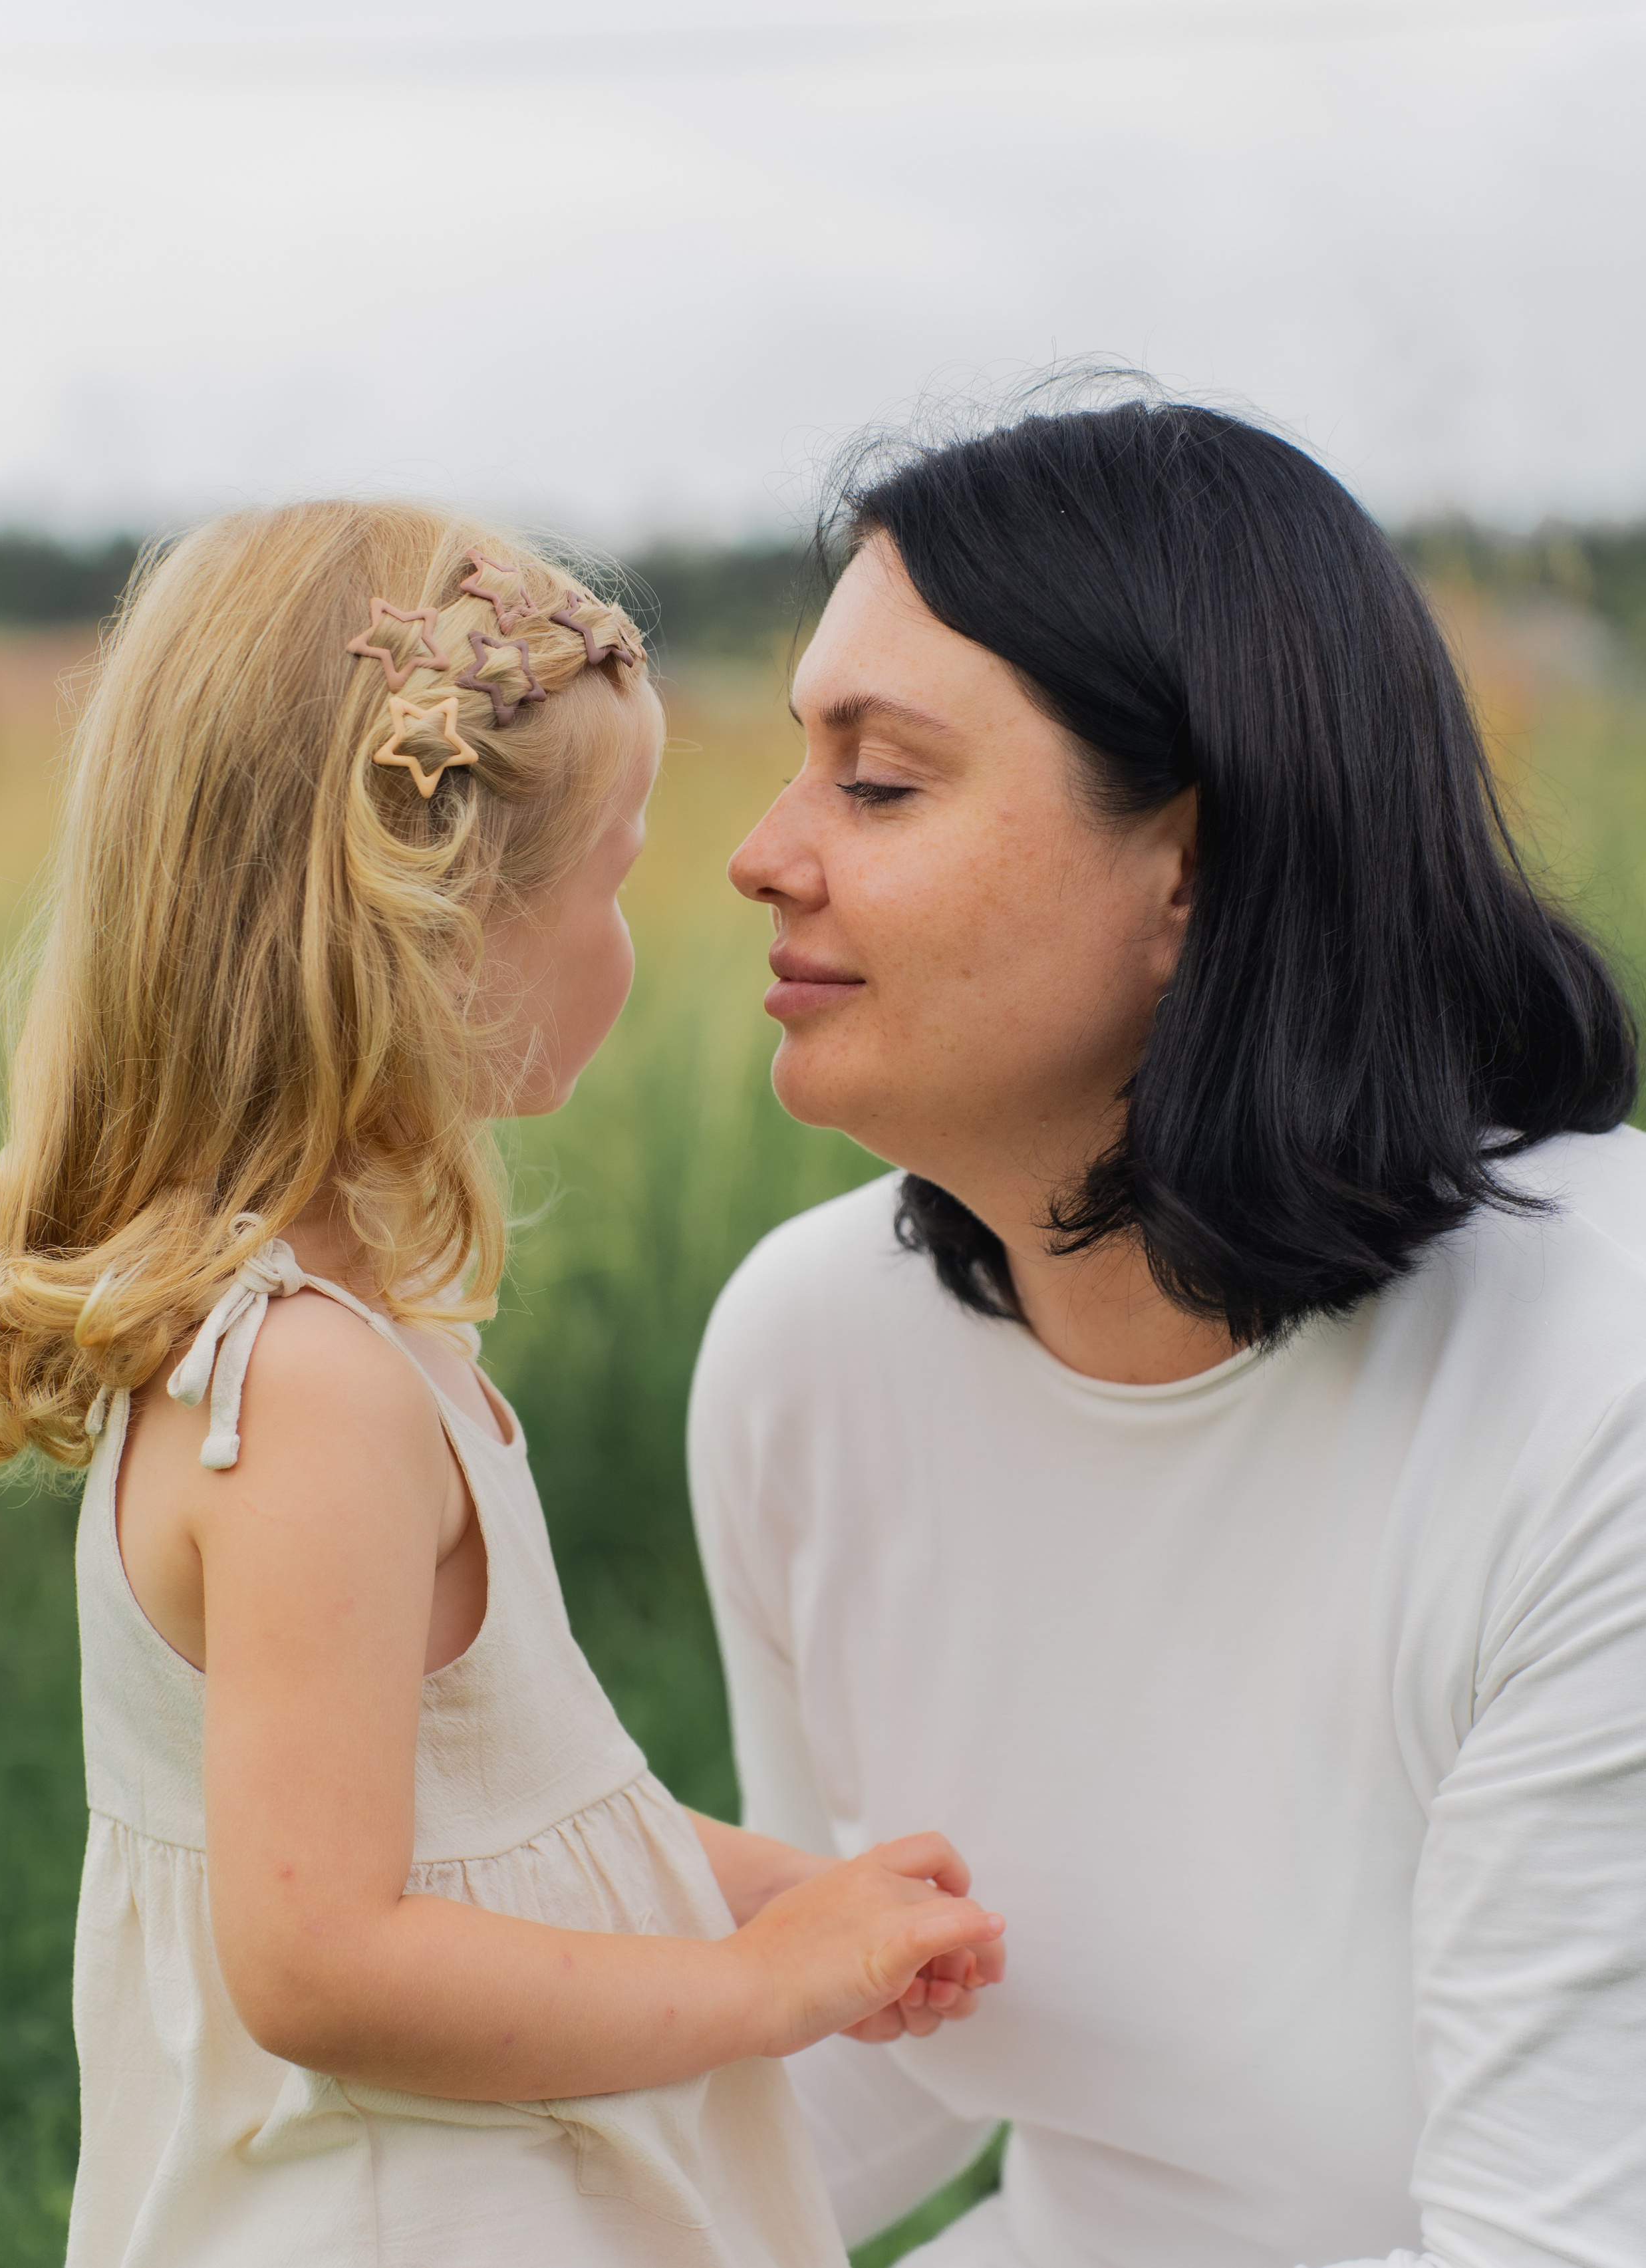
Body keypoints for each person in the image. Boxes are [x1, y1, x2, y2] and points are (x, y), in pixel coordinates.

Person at [0, 499, 1006, 2268]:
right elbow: (326, 1958)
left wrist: (801, 1895)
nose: (639, 941)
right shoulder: (308, 1400)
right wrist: (754, 1985)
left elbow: (507, 1815)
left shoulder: (332, 1354)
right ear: (431, 941)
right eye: (611, 880)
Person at [690, 396, 1646, 2268]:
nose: (763, 852)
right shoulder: (812, 1352)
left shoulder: (1598, 1389)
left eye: (877, 782)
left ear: (1190, 875)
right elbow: (887, 2040)